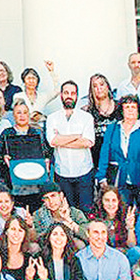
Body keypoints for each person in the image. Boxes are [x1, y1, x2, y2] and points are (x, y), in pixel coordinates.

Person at [46, 81, 95, 213]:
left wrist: (61, 140)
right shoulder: (52, 118)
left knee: (85, 212)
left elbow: (88, 143)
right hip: (62, 173)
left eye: (72, 93)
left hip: (84, 172)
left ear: (77, 96)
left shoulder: (86, 117)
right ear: (61, 95)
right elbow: (52, 141)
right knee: (66, 212)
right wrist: (77, 136)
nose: (69, 96)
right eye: (66, 93)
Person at [96, 94, 140, 208]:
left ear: (138, 110)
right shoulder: (112, 128)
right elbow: (104, 153)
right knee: (122, 210)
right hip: (119, 178)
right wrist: (101, 176)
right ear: (122, 110)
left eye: (133, 107)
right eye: (127, 107)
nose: (130, 110)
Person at [0, 99, 50, 212]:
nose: (22, 116)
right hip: (15, 185)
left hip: (36, 183)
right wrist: (4, 158)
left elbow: (47, 153)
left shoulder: (37, 133)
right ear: (14, 116)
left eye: (25, 112)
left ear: (29, 115)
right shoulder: (6, 134)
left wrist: (47, 161)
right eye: (18, 113)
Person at [32, 182, 88, 249]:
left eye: (53, 196)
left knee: (79, 244)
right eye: (46, 198)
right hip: (48, 246)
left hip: (69, 246)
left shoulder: (75, 213)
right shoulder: (38, 215)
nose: (51, 201)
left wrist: (68, 220)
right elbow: (37, 238)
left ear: (61, 196)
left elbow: (87, 235)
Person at [81, 73, 121, 166]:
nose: (99, 88)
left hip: (118, 161)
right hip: (96, 162)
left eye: (102, 84)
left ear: (107, 86)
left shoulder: (120, 107)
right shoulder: (87, 112)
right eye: (95, 86)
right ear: (91, 91)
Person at [13, 64, 60, 129]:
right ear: (24, 81)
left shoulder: (43, 96)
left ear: (37, 81)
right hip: (24, 130)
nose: (31, 81)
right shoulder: (18, 96)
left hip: (40, 130)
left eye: (34, 78)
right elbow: (17, 114)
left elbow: (57, 91)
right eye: (29, 78)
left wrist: (52, 71)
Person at [90, 184, 134, 250]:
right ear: (101, 202)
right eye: (107, 200)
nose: (110, 204)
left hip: (122, 253)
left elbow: (132, 245)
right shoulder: (95, 217)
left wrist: (130, 228)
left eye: (114, 200)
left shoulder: (125, 216)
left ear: (118, 202)